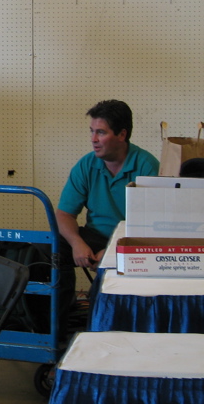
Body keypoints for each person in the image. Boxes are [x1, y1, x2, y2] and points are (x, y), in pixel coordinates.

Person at [56, 99, 159, 333]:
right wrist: (77, 243)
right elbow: (64, 214)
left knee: (105, 287)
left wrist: (115, 252)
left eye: (101, 132)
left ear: (122, 135)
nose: (93, 139)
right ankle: (56, 334)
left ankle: (101, 336)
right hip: (95, 236)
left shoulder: (147, 166)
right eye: (92, 131)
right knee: (48, 253)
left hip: (132, 241)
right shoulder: (86, 164)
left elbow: (151, 226)